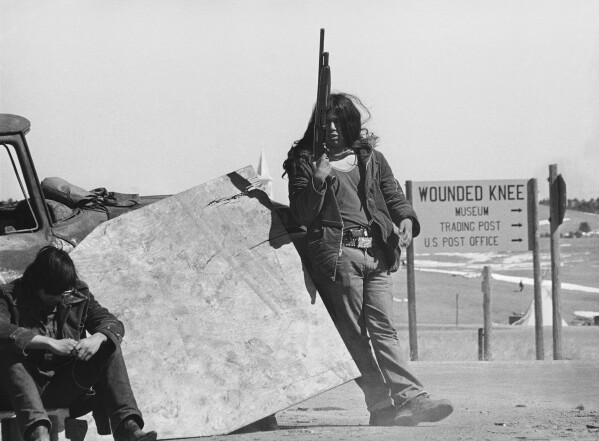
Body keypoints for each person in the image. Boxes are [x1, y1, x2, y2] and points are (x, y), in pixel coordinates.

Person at [283, 93, 453, 426]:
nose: (332, 129)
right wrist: (318, 179)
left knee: (384, 330)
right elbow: (302, 214)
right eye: (326, 122)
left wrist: (405, 218)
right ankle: (382, 405)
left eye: (338, 122)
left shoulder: (372, 158)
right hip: (337, 256)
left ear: (350, 124)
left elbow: (392, 195)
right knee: (355, 336)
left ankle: (410, 398)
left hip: (377, 252)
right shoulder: (304, 160)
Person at [0, 246, 157, 441]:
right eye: (52, 295)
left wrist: (96, 339)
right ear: (37, 286)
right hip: (16, 392)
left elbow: (111, 323)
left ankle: (127, 428)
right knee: (7, 351)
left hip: (63, 386)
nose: (58, 299)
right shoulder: (8, 295)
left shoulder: (76, 293)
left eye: (62, 294)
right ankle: (38, 435)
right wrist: (49, 343)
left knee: (108, 344)